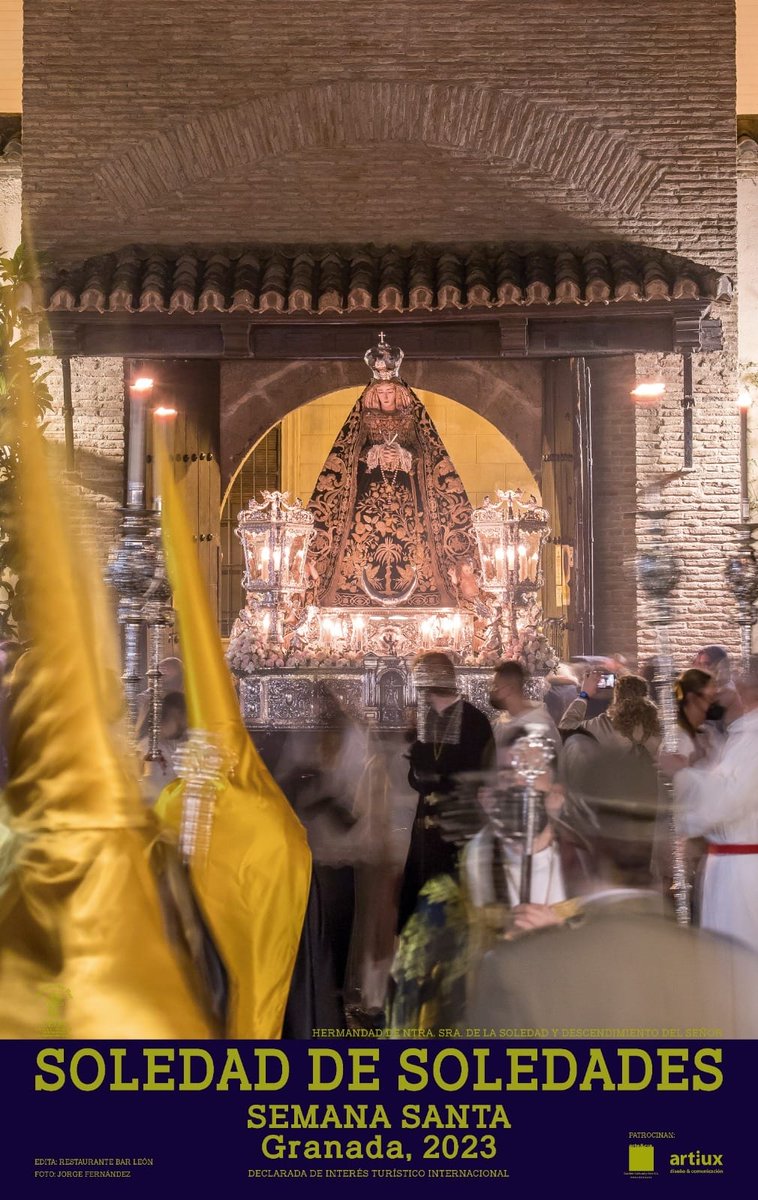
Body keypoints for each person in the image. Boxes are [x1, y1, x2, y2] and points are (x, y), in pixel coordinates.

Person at [466, 743, 758, 1036]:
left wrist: (542, 948)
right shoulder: (732, 968)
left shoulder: (516, 972)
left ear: (574, 848)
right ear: (665, 851)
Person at [660, 657, 758, 955]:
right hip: (728, 865)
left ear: (748, 688)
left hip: (742, 870)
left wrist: (684, 774)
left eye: (735, 678)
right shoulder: (743, 734)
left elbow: (730, 799)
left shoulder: (754, 738)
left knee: (740, 963)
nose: (726, 686)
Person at [397, 651, 495, 933]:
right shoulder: (426, 721)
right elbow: (417, 779)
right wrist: (418, 768)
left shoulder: (475, 721)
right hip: (425, 831)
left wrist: (438, 777)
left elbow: (481, 778)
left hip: (457, 831)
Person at [559, 671, 661, 759]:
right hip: (649, 781)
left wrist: (584, 695)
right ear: (646, 696)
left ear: (616, 697)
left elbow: (566, 729)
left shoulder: (604, 725)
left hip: (612, 781)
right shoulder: (658, 725)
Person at [489, 659, 561, 760]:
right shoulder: (505, 719)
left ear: (509, 689)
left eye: (496, 686)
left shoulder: (536, 727)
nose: (492, 691)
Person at [138, 691, 188, 806]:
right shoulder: (151, 747)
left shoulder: (170, 745)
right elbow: (157, 789)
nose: (187, 723)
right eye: (186, 716)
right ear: (177, 714)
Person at [691, 645, 741, 728]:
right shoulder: (707, 685)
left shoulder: (727, 689)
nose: (703, 668)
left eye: (707, 664)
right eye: (701, 664)